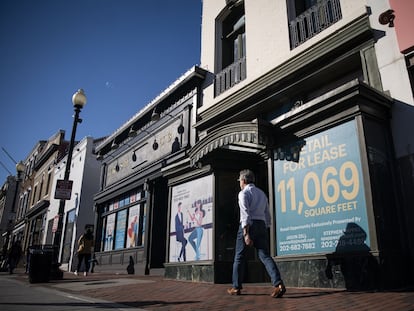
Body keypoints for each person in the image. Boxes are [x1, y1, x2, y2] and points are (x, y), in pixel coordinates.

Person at [227, 169, 286, 298]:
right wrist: (266, 227)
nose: (239, 184)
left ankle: (236, 287)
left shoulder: (243, 193)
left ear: (243, 181)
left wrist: (246, 233)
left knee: (239, 256)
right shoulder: (262, 193)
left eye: (240, 181)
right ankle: (278, 284)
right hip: (261, 225)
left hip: (249, 225)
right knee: (265, 256)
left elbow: (245, 214)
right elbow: (267, 214)